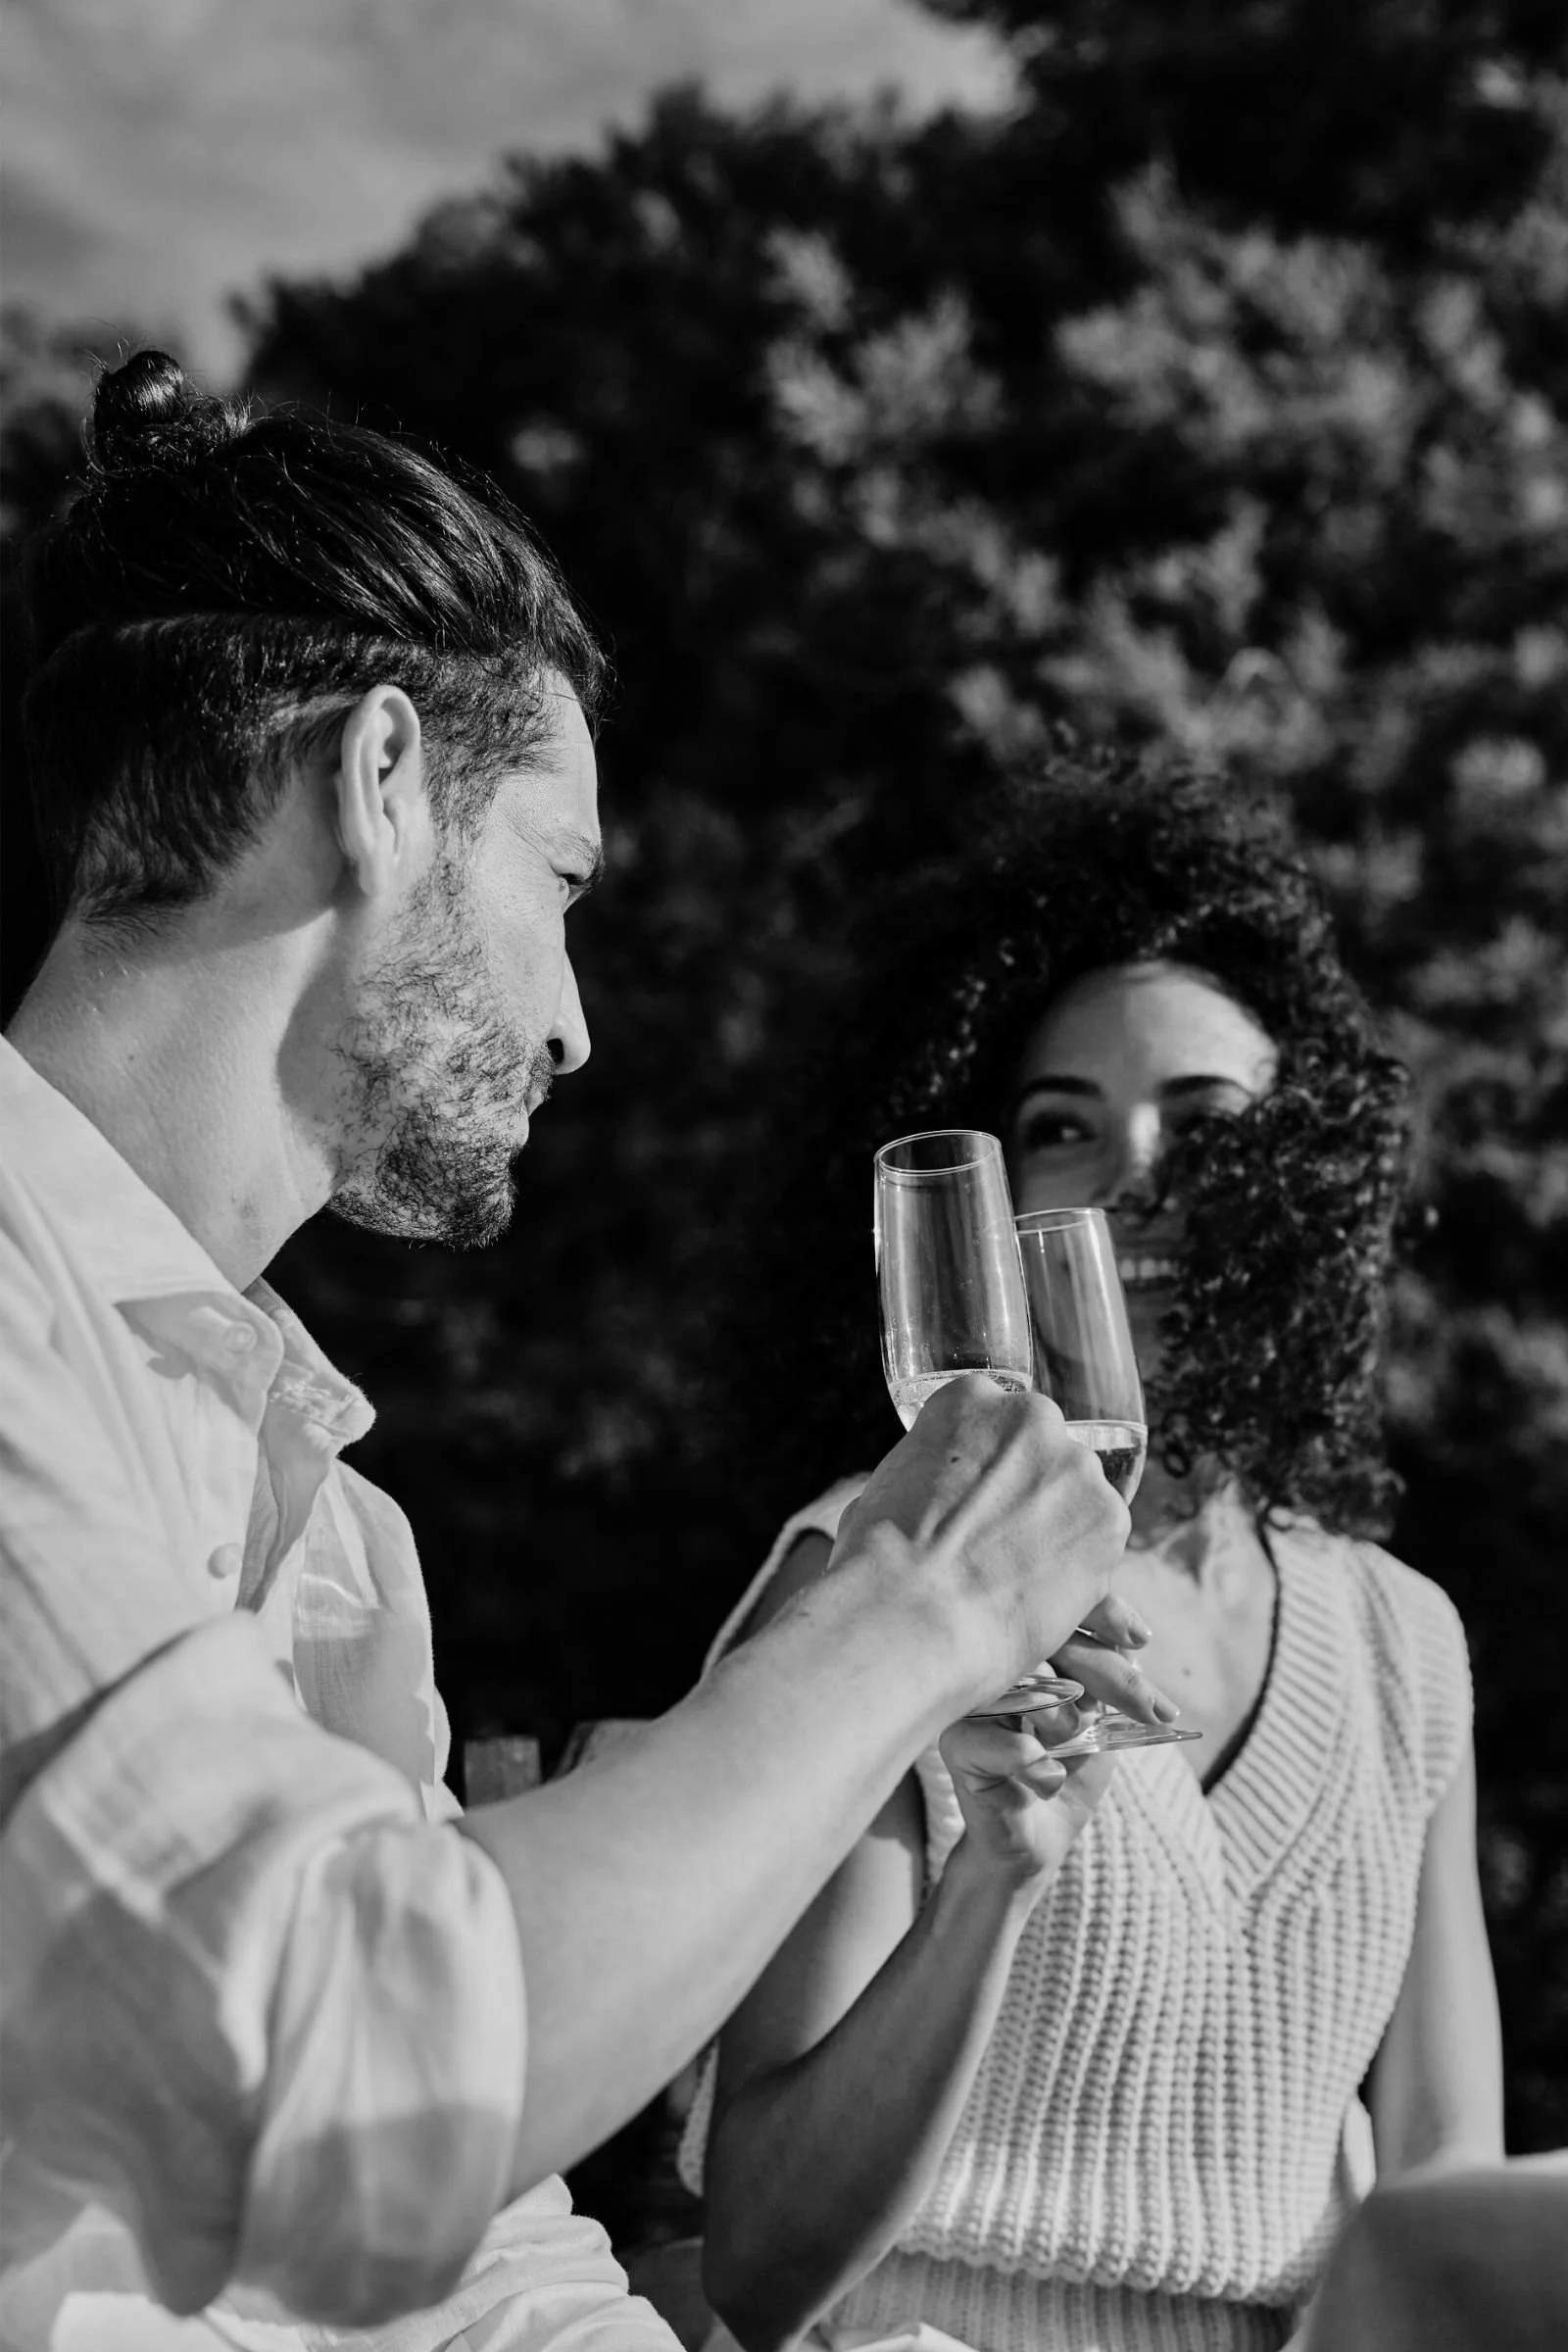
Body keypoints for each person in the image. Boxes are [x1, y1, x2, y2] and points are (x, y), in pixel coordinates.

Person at [0, 358, 1167, 2352]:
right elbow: (363, 2078)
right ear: (380, 784)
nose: (577, 1023)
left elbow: (490, 2257)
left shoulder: (331, 1521)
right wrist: (906, 1618)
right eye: (557, 884)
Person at [684, 753, 1504, 2352]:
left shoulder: (1407, 1642)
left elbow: (1442, 2209)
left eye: (1205, 1121)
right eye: (1064, 1126)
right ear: (991, 1205)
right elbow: (759, 2262)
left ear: (1318, 1184)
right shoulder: (884, 1563)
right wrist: (997, 1876)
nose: (1137, 1175)